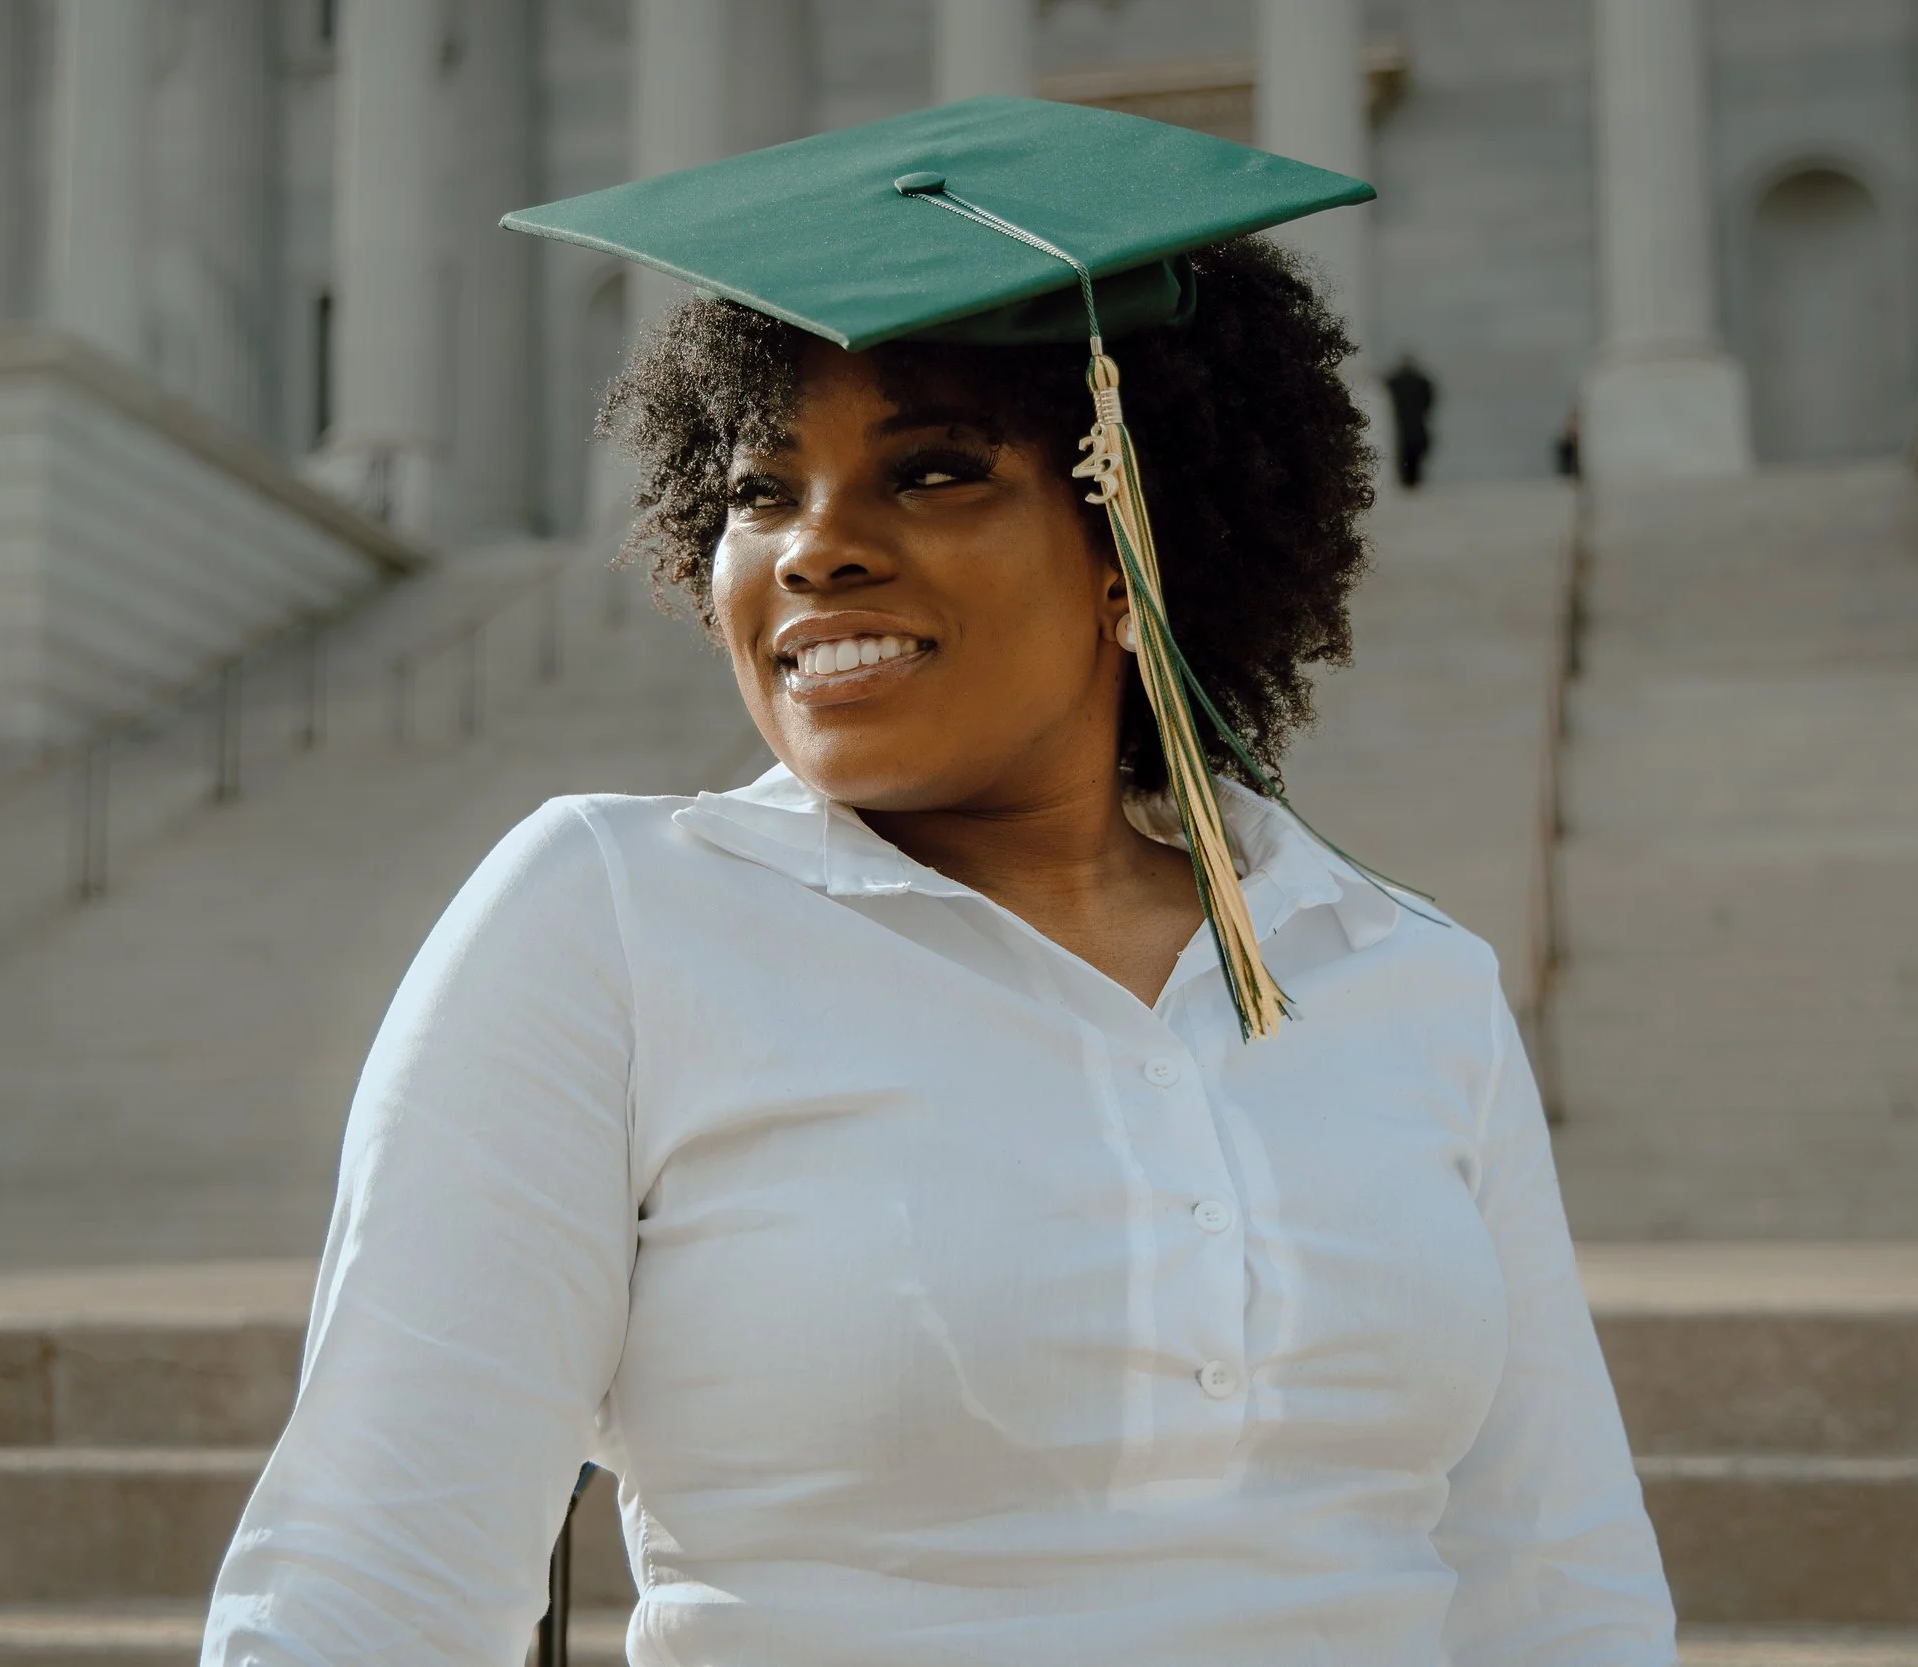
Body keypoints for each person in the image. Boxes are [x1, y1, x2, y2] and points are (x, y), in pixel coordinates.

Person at [203, 96, 1675, 1667]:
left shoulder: (1401, 969)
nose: (813, 549)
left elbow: (1558, 1582)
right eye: (760, 490)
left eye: (931, 475)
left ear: (1137, 542)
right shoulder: (610, 918)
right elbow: (371, 1581)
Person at [1384, 351, 1438, 489]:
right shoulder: (1422, 382)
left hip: (1401, 423)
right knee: (1415, 452)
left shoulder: (1395, 381)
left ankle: (1407, 481)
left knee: (1404, 452)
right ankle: (1413, 481)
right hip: (1417, 423)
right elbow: (1429, 401)